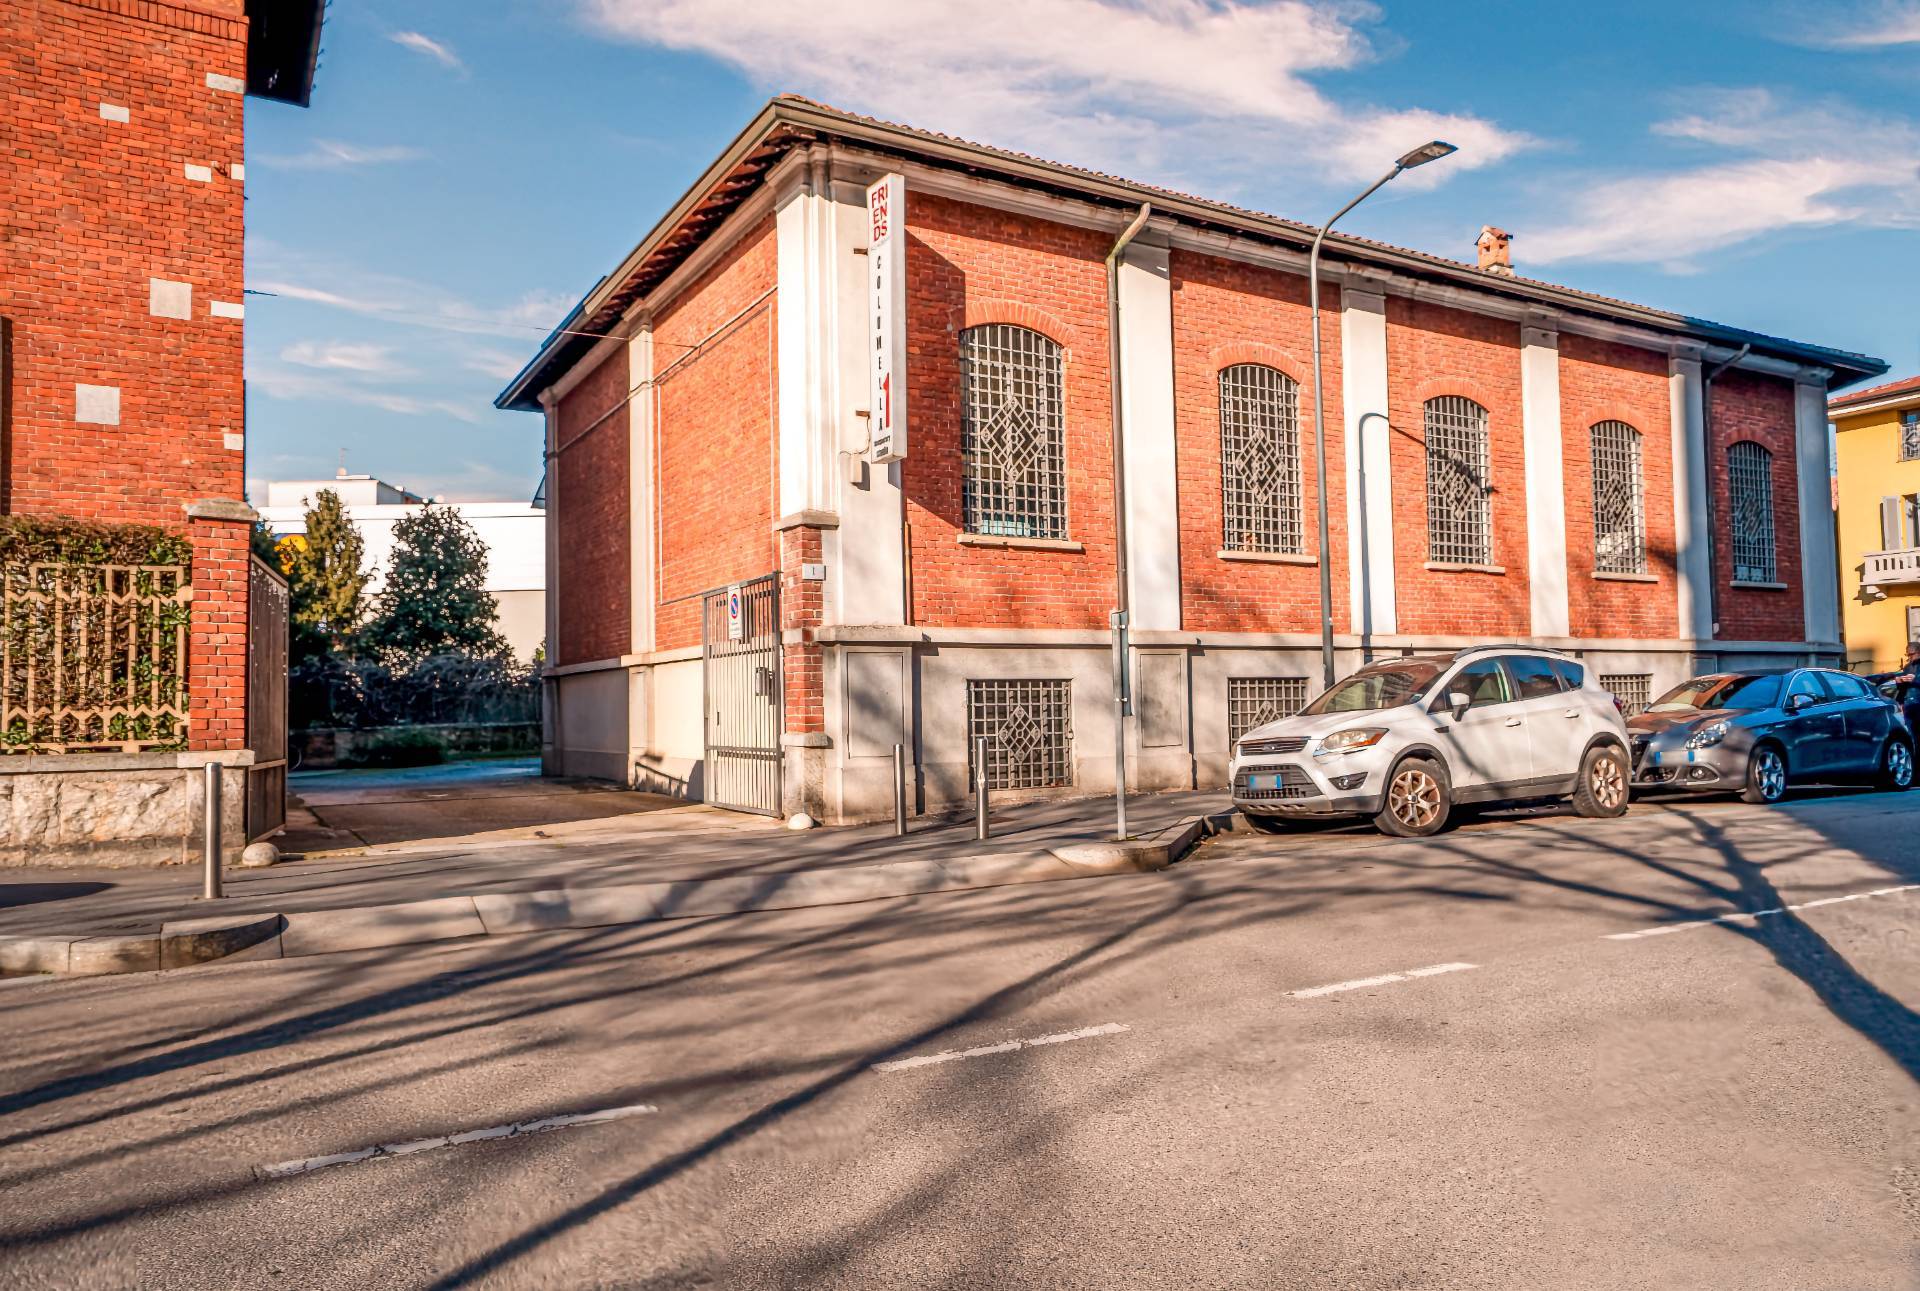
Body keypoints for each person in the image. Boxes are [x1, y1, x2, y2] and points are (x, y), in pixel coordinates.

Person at [1868, 641, 1920, 732]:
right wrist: (1899, 681)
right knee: (1911, 732)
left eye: (1911, 654)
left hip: (1918, 703)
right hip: (1909, 705)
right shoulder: (1908, 667)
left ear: (1919, 652)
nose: (1909, 657)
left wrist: (1915, 680)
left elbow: (1915, 681)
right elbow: (1902, 687)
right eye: (1907, 655)